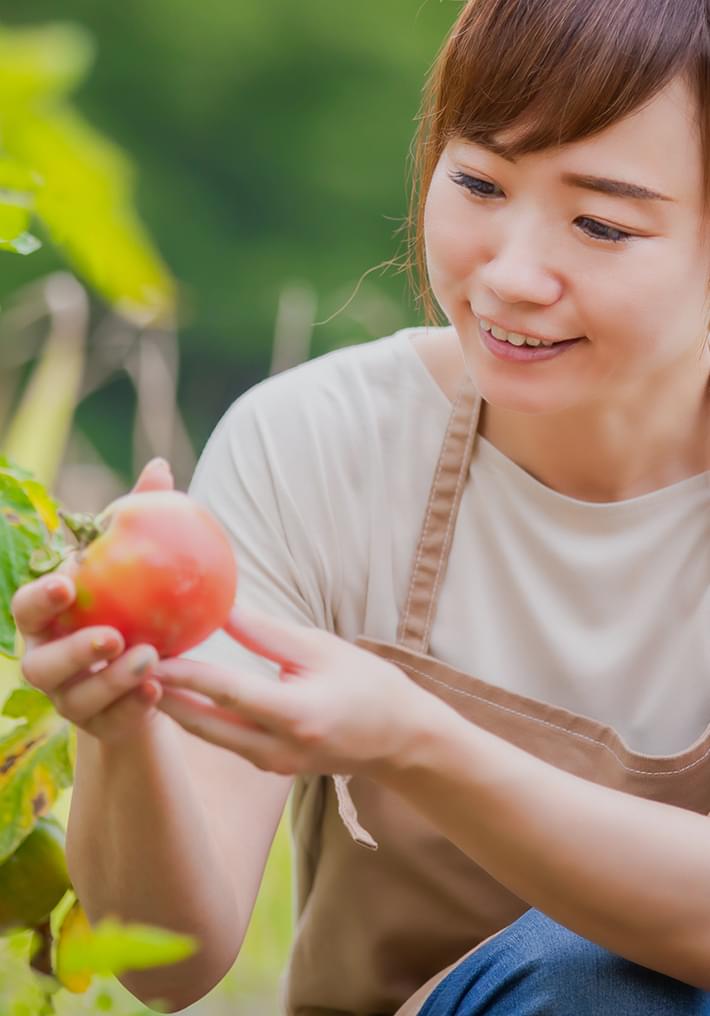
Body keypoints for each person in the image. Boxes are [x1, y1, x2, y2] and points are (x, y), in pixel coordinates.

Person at [11, 0, 710, 1013]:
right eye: (475, 182)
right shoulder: (321, 446)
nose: (509, 275)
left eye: (600, 223)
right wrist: (123, 731)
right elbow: (167, 961)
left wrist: (411, 741)